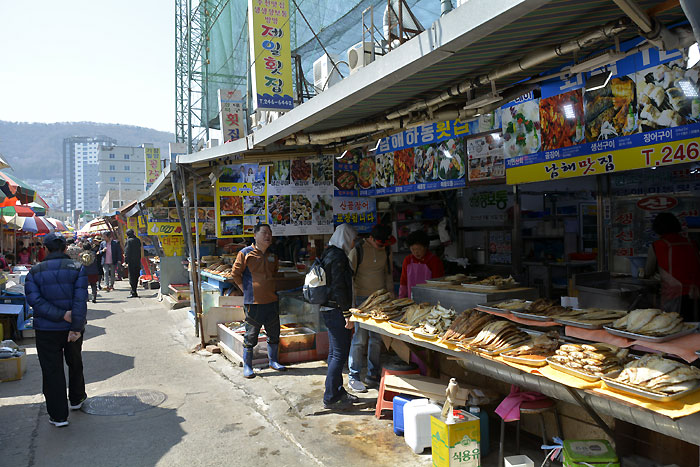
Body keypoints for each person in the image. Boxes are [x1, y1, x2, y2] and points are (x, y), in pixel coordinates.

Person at [25, 232, 88, 427]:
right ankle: (76, 398)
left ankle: (58, 415)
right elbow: (80, 301)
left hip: (46, 329)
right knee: (75, 361)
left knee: (52, 370)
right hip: (72, 327)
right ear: (65, 248)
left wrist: (60, 315)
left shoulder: (34, 272)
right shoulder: (78, 268)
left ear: (45, 248)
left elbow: (34, 301)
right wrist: (75, 325)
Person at [232, 224, 286, 378]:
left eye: (270, 233)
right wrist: (246, 290)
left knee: (274, 333)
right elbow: (235, 274)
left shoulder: (272, 255)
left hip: (272, 301)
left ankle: (273, 361)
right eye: (264, 233)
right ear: (255, 235)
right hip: (253, 304)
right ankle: (248, 366)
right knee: (250, 336)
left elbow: (274, 273)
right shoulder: (245, 253)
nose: (268, 236)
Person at [347, 224, 395, 393]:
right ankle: (353, 376)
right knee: (360, 338)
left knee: (377, 339)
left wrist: (391, 297)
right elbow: (349, 279)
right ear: (371, 238)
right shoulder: (358, 250)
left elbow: (388, 275)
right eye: (379, 243)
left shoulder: (387, 250)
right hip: (361, 300)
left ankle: (372, 375)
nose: (381, 247)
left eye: (384, 244)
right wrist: (351, 306)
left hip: (381, 300)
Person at [320, 224, 359, 410]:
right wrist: (347, 314)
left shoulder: (327, 253)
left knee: (334, 353)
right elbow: (339, 288)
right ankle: (330, 396)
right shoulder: (338, 257)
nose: (354, 243)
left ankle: (336, 390)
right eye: (352, 239)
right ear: (345, 238)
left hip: (327, 309)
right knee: (339, 354)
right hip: (337, 311)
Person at [644, 212, 700, 321]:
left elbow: (648, 271)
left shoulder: (658, 246)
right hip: (696, 293)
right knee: (694, 328)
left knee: (675, 327)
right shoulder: (692, 243)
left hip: (675, 295)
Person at [399, 230, 444, 299]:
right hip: (411, 299)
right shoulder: (407, 260)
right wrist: (401, 297)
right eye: (413, 249)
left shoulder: (434, 261)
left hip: (431, 299)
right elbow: (403, 281)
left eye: (419, 249)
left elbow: (438, 284)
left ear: (426, 247)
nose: (416, 252)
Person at [124, 229, 142, 298]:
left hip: (131, 262)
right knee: (136, 276)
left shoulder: (128, 241)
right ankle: (134, 290)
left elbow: (127, 252)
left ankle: (133, 292)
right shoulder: (137, 240)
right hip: (137, 261)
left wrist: (126, 261)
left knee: (131, 277)